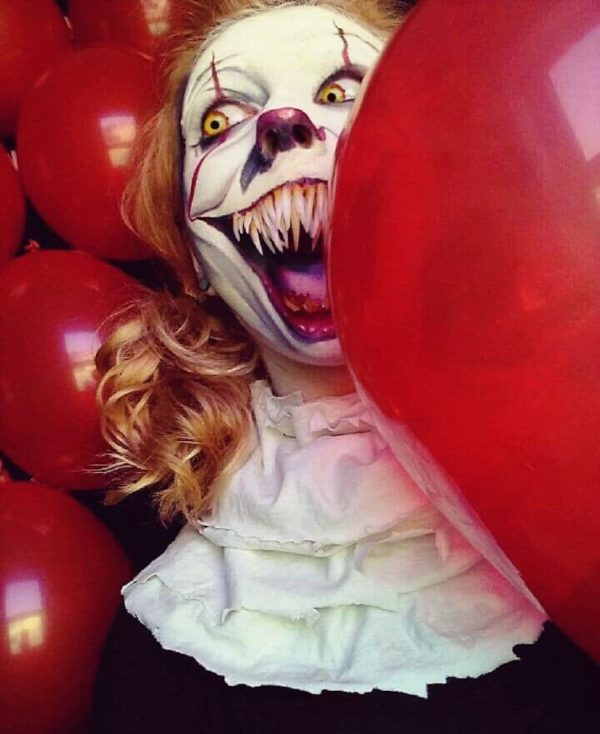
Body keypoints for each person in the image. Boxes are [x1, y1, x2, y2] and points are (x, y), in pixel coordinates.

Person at [91, 1, 599, 731]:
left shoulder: (577, 476)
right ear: (191, 257)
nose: (285, 125)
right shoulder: (162, 647)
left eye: (340, 93)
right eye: (220, 121)